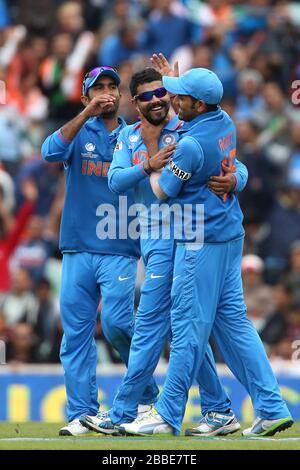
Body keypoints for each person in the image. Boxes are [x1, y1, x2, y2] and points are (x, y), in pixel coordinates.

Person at [121, 67, 293, 437]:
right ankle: (271, 408)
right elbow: (236, 165)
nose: (171, 100)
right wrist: (237, 179)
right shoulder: (225, 120)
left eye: (180, 96)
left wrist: (149, 157)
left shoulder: (190, 145)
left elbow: (161, 191)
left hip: (200, 240)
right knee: (235, 326)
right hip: (230, 235)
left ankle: (166, 414)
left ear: (198, 104)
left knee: (186, 327)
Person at [80, 67, 248, 437]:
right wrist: (147, 165)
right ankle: (219, 408)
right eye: (148, 96)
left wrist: (237, 179)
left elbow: (234, 161)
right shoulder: (127, 136)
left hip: (189, 234)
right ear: (135, 103)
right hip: (154, 237)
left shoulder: (187, 128)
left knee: (153, 322)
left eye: (162, 93)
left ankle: (123, 410)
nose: (158, 100)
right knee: (183, 328)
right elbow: (115, 181)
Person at [41, 66, 158, 436]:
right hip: (76, 247)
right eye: (98, 89)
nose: (106, 93)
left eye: (112, 88)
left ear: (122, 96)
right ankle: (81, 414)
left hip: (121, 246)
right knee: (75, 334)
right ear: (85, 96)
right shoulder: (78, 131)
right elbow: (49, 152)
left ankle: (144, 395)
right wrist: (87, 114)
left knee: (117, 324)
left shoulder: (133, 135)